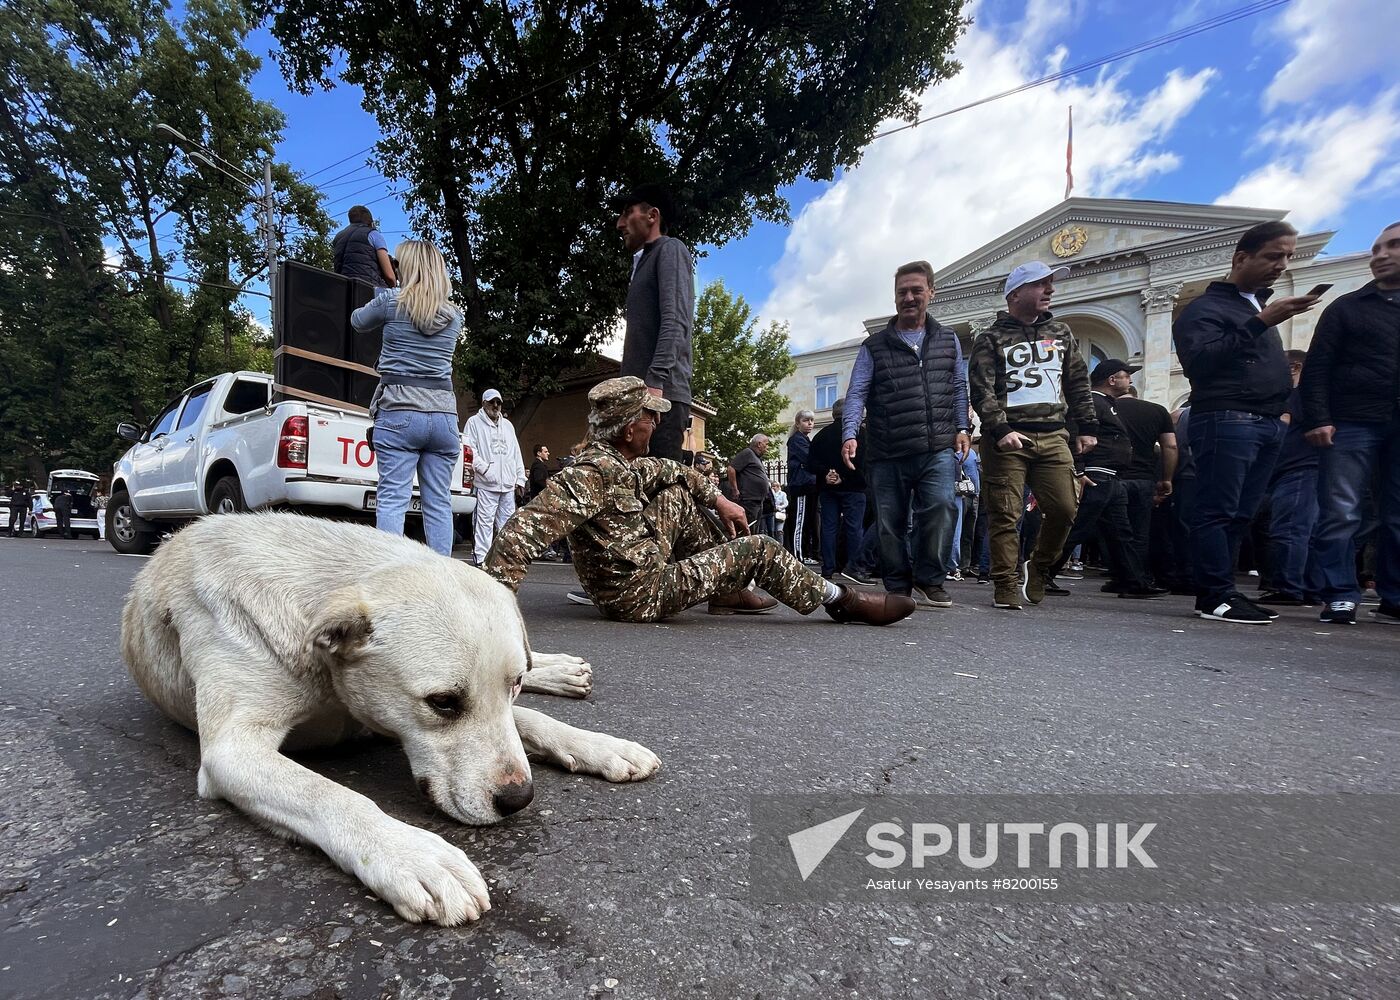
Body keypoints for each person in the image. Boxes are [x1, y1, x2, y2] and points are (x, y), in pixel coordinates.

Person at [483, 377, 915, 627]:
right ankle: (840, 600)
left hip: (646, 563)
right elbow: (519, 533)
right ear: (631, 427)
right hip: (637, 594)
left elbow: (678, 472)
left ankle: (727, 591)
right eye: (651, 416)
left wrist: (720, 500)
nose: (657, 422)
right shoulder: (591, 474)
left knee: (678, 496)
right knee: (760, 548)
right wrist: (490, 618)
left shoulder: (623, 462)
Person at [1172, 220, 1320, 624]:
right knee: (1217, 509)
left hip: (1267, 421)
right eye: (1274, 256)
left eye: (1288, 257)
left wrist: (1285, 412)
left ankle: (1223, 591)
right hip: (1227, 417)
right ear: (1241, 258)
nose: (1282, 265)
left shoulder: (1254, 307)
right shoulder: (1205, 309)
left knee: (1241, 513)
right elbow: (1199, 362)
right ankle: (1214, 594)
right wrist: (1261, 322)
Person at [969, 261, 1097, 611]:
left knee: (1065, 508)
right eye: (1041, 284)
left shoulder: (1062, 333)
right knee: (1006, 514)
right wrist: (1000, 429)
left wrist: (1087, 426)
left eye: (1050, 284)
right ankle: (1005, 583)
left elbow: (1077, 381)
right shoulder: (990, 339)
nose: (1050, 290)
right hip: (1008, 438)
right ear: (1016, 294)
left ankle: (1039, 566)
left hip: (1054, 435)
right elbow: (981, 390)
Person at [842, 261, 969, 609]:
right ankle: (898, 584)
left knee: (942, 507)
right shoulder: (875, 346)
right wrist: (849, 433)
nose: (909, 297)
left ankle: (930, 579)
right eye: (902, 292)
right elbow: (857, 392)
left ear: (931, 291)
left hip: (936, 445)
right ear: (895, 297)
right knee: (889, 522)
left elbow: (959, 385)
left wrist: (962, 427)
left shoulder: (947, 340)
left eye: (916, 290)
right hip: (887, 448)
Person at [1299, 221, 1400, 626]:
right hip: (1352, 421)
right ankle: (1339, 592)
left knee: (1397, 514)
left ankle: (1394, 596)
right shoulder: (1346, 307)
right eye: (1376, 248)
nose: (1380, 255)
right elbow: (1317, 368)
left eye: (1392, 246)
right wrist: (1318, 417)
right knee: (1341, 509)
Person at [350, 239, 462, 555]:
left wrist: (383, 291)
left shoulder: (390, 302)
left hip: (399, 411)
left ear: (408, 268)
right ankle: (443, 581)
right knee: (439, 502)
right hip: (444, 417)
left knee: (393, 498)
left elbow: (357, 321)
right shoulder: (455, 317)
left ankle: (391, 576)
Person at [1048, 361, 1162, 600]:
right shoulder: (1092, 403)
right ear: (1112, 380)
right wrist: (1079, 471)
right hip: (1096, 475)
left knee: (1121, 532)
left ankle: (1132, 581)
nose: (1129, 380)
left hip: (1111, 477)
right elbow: (1072, 434)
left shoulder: (1106, 405)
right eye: (1126, 376)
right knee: (1077, 529)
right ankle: (1041, 572)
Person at [613, 183, 694, 462]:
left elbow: (675, 321)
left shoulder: (670, 250)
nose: (620, 223)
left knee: (660, 497)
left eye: (627, 212)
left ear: (652, 216)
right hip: (639, 398)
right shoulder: (642, 263)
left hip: (660, 399)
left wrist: (654, 386)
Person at [1256, 350, 1320, 606]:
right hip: (1309, 467)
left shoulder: (1297, 396)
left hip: (1297, 468)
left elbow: (1281, 428)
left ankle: (1289, 587)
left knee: (1289, 529)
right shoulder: (1315, 397)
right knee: (1307, 531)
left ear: (1294, 368)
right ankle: (1308, 588)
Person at [1106, 364, 1178, 585]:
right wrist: (1166, 479)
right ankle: (1138, 577)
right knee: (1140, 531)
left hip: (1114, 476)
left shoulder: (1105, 409)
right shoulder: (1157, 411)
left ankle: (1120, 576)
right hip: (1144, 479)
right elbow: (1171, 446)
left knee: (1113, 530)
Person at [807, 399, 868, 582]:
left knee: (828, 527)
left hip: (827, 488)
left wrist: (827, 473)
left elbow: (810, 463)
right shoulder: (860, 434)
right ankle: (854, 568)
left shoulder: (821, 435)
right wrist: (844, 475)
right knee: (854, 528)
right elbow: (864, 463)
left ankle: (828, 568)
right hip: (853, 487)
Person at [464, 389, 527, 566]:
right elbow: (470, 450)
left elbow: (516, 452)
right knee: (484, 524)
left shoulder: (507, 425)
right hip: (485, 484)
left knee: (507, 524)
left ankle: (505, 559)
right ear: (484, 403)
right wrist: (486, 470)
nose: (496, 406)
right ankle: (481, 560)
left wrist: (520, 478)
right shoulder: (474, 423)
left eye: (498, 402)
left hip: (507, 485)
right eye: (492, 402)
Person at [333, 205, 397, 288]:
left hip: (341, 288)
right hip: (367, 289)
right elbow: (390, 277)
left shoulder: (338, 237)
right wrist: (394, 286)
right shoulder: (373, 234)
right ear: (371, 222)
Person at [784, 410, 819, 563]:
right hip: (801, 485)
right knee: (799, 521)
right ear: (798, 423)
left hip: (808, 484)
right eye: (806, 420)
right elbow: (809, 458)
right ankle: (798, 556)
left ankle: (804, 554)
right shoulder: (796, 440)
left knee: (807, 521)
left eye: (812, 420)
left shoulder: (804, 439)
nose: (810, 423)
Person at [728, 434, 774, 533]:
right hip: (749, 500)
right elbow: (731, 469)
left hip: (758, 501)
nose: (767, 447)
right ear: (759, 444)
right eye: (766, 444)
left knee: (754, 529)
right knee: (747, 529)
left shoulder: (756, 457)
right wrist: (735, 489)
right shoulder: (748, 453)